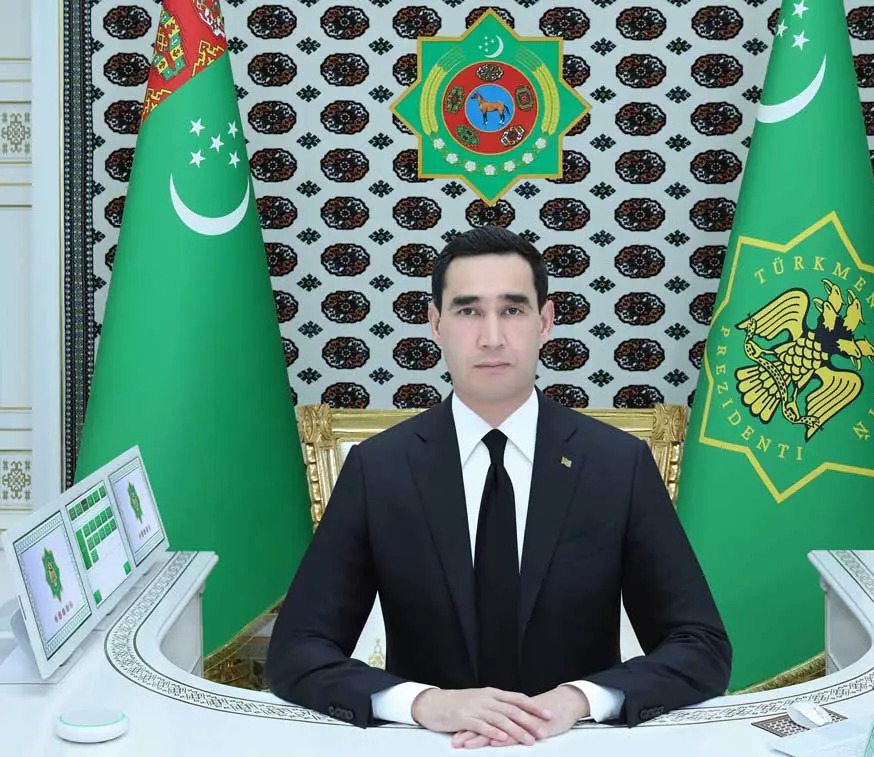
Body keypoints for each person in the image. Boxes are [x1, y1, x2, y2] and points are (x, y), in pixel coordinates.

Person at [266, 226, 731, 748]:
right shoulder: (379, 469)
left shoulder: (617, 464)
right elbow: (296, 651)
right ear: (436, 324)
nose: (491, 337)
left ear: (544, 322)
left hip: (574, 744)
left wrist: (578, 700)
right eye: (468, 311)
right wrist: (423, 702)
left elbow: (701, 647)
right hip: (428, 746)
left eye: (512, 310)